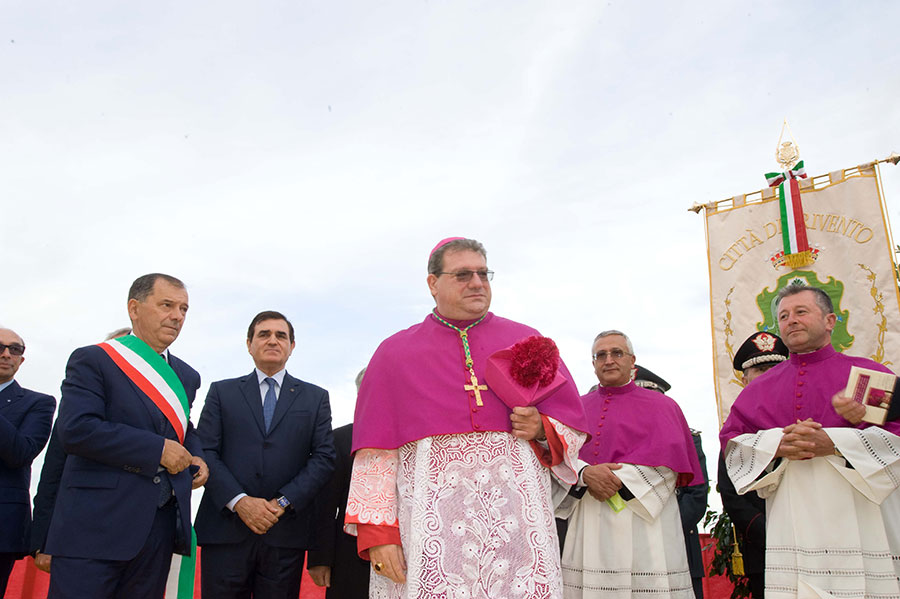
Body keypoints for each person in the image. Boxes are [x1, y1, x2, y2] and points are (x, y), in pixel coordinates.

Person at [346, 237, 588, 599]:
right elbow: (374, 458)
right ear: (433, 284)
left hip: (518, 527)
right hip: (429, 530)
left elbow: (571, 423)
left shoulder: (525, 340)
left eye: (483, 273)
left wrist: (541, 427)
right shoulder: (393, 354)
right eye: (462, 274)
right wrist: (379, 536)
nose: (477, 282)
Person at [720, 283, 900, 599]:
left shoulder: (866, 375)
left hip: (858, 509)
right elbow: (732, 442)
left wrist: (835, 442)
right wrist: (775, 444)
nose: (791, 321)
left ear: (830, 321)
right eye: (784, 316)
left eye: (801, 312)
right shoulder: (758, 391)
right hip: (792, 510)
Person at [45, 273, 208, 599]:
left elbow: (181, 426)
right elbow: (77, 429)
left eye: (183, 309)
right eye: (166, 305)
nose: (177, 316)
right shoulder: (94, 359)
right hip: (94, 527)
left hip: (158, 530)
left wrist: (197, 452)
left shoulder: (186, 376)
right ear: (134, 308)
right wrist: (157, 449)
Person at [196, 310, 335, 599]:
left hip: (285, 534)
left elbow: (323, 457)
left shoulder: (315, 397)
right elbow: (205, 450)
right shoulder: (222, 392)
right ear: (249, 344)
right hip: (226, 530)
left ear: (292, 346)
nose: (273, 340)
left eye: (281, 335)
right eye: (264, 334)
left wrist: (282, 502)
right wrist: (240, 502)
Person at [559, 331, 703, 599]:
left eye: (617, 353)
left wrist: (614, 480)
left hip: (645, 519)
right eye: (600, 355)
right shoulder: (575, 408)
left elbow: (670, 468)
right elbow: (559, 457)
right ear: (593, 364)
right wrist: (585, 474)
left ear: (632, 361)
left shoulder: (664, 406)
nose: (609, 360)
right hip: (590, 515)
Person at [30, 327, 133, 573]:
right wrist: (41, 542)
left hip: (134, 538)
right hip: (78, 536)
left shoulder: (161, 415)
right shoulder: (75, 416)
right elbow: (52, 476)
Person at [716, 331, 789, 599]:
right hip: (764, 547)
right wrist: (770, 533)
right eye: (759, 369)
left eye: (775, 367)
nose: (768, 374)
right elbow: (731, 493)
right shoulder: (736, 425)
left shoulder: (809, 409)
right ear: (744, 379)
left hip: (819, 537)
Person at [633, 365, 709, 599]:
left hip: (677, 544)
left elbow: (696, 495)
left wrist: (664, 527)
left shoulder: (688, 439)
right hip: (628, 545)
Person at [0, 327, 55, 596]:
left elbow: (21, 453)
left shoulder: (38, 403)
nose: (6, 354)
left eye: (15, 349)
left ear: (22, 360)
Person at [307, 368, 370, 599]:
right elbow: (323, 505)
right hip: (348, 556)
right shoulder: (339, 439)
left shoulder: (409, 440)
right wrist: (319, 558)